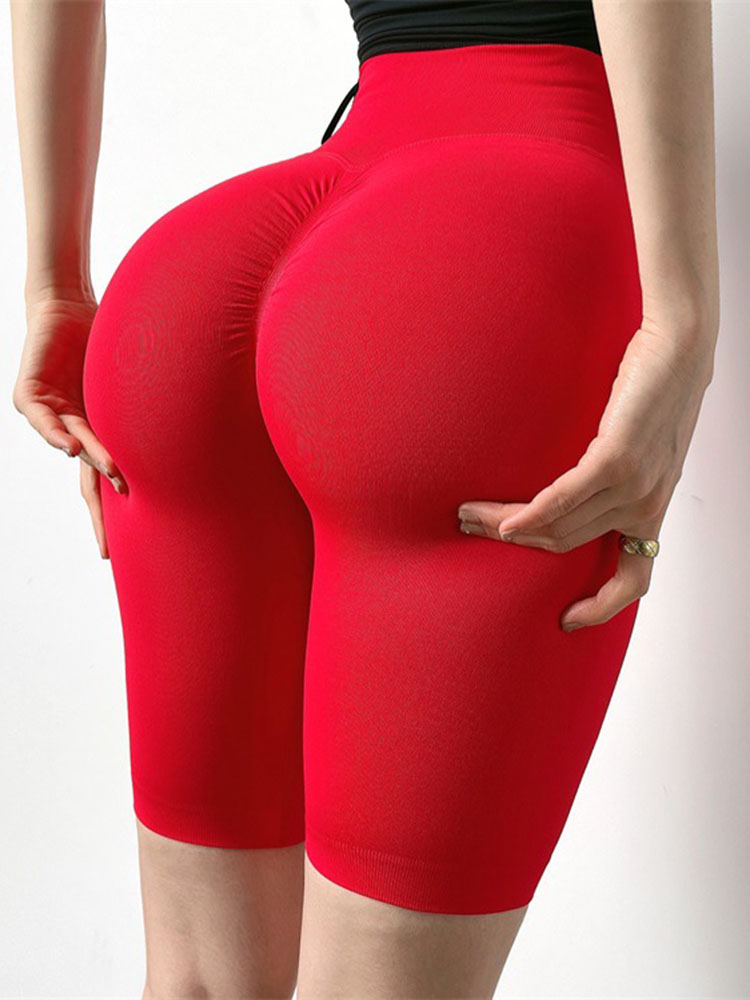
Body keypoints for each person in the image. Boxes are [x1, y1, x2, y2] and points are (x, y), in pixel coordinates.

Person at [10, 1, 719, 997]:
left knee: (198, 983)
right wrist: (680, 320)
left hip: (203, 280)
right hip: (477, 266)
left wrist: (54, 284)